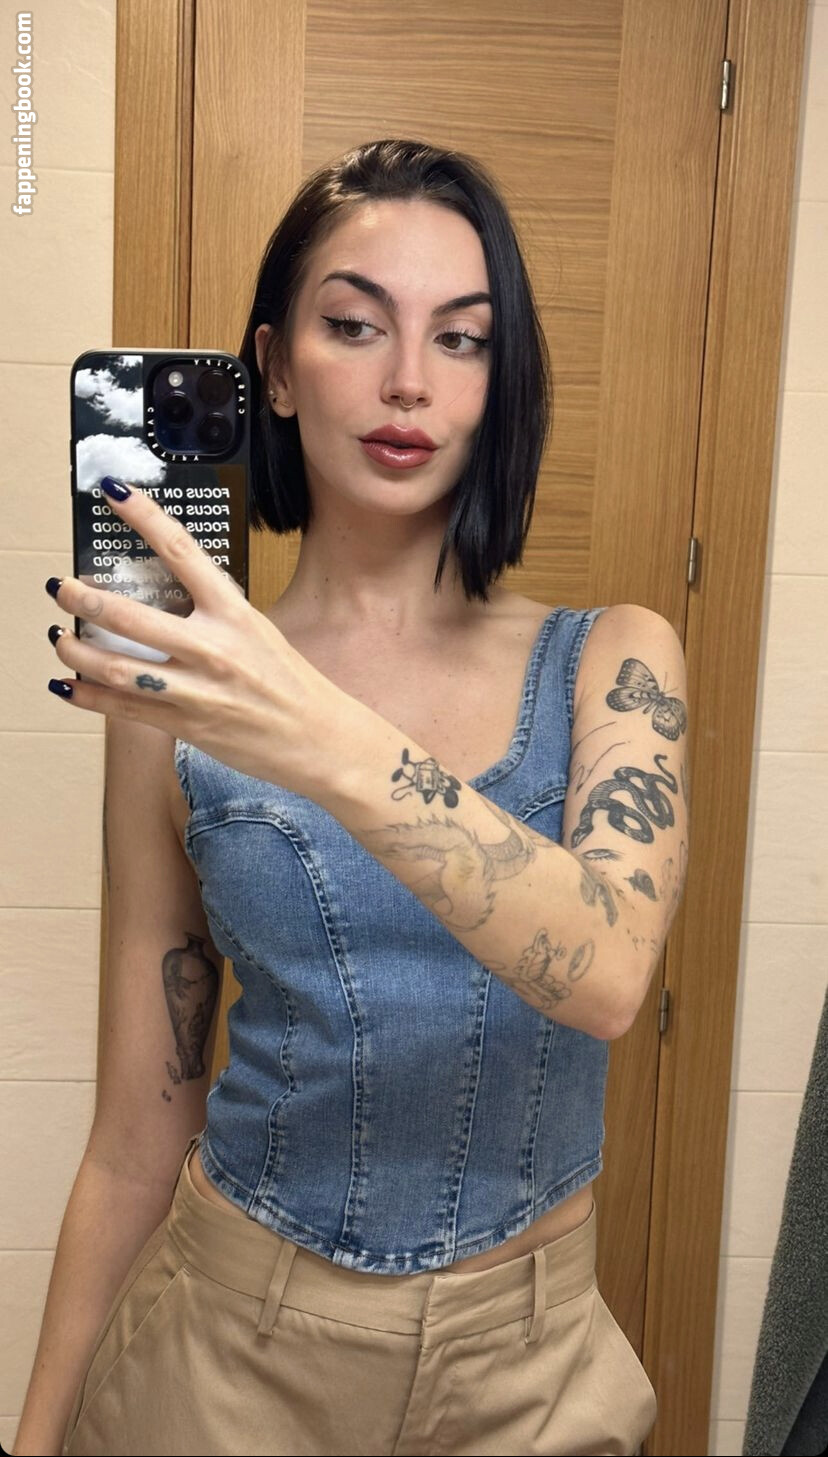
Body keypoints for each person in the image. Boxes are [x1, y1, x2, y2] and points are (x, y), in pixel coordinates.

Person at [18, 139, 689, 1456]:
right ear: (274, 367)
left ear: (500, 379)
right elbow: (140, 1129)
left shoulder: (616, 661)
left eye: (462, 339)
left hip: (530, 1376)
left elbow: (609, 969)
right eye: (354, 324)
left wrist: (315, 725)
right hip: (224, 1355)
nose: (407, 382)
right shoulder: (177, 702)